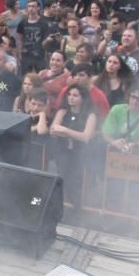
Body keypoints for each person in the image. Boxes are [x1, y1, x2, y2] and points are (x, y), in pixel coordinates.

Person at [50, 84, 98, 212]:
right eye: (69, 95)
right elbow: (53, 130)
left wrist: (65, 130)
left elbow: (85, 137)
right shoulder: (62, 111)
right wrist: (70, 133)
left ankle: (78, 211)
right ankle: (57, 209)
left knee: (74, 185)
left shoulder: (90, 115)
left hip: (79, 155)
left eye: (75, 95)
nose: (71, 98)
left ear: (83, 98)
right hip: (62, 152)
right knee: (59, 181)